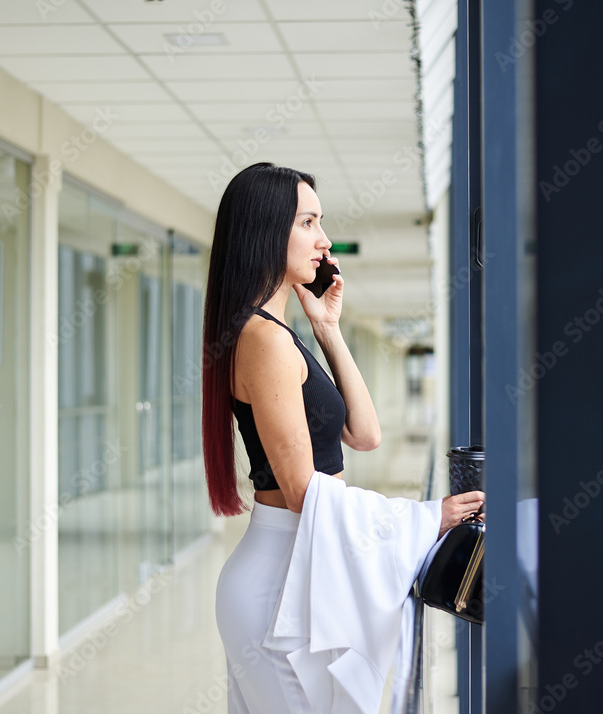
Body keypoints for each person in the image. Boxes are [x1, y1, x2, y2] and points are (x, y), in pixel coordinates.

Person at [202, 162, 485, 712]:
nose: (324, 240)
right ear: (266, 230)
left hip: (292, 566)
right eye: (308, 222)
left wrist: (328, 329)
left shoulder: (278, 335)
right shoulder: (263, 340)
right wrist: (427, 516)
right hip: (276, 582)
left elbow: (365, 433)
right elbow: (305, 491)